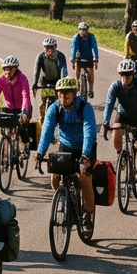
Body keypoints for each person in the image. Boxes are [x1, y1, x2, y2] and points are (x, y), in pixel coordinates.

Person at [35, 76, 97, 232]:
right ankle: (64, 200)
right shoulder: (54, 109)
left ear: (75, 93)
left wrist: (85, 156)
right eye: (61, 93)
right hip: (66, 146)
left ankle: (88, 213)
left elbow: (89, 132)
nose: (64, 97)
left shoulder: (85, 108)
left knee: (83, 178)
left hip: (85, 147)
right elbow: (47, 132)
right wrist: (40, 152)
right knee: (55, 176)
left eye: (67, 93)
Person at [103, 58, 137, 194]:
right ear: (120, 75)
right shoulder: (115, 86)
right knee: (116, 132)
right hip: (123, 115)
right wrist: (105, 123)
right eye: (123, 75)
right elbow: (109, 104)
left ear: (134, 75)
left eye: (129, 75)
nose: (126, 78)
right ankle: (122, 155)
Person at [0, 55, 34, 151]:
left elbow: (25, 95)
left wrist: (24, 111)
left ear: (16, 69)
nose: (7, 71)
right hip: (9, 108)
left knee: (21, 126)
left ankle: (26, 143)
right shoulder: (0, 80)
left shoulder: (22, 78)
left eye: (10, 69)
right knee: (4, 127)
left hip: (23, 107)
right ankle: (6, 150)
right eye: (5, 69)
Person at [32, 37, 68, 121]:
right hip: (45, 80)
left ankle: (62, 117)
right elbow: (36, 70)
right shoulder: (40, 56)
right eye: (46, 47)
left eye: (51, 47)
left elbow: (64, 69)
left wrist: (63, 83)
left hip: (57, 81)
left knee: (61, 101)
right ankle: (42, 119)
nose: (49, 50)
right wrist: (35, 83)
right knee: (42, 102)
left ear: (55, 47)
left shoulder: (60, 56)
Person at [70, 22, 99, 98]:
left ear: (87, 30)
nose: (82, 31)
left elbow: (94, 47)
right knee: (77, 67)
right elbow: (74, 48)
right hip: (79, 56)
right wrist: (72, 60)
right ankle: (77, 83)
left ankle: (91, 89)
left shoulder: (91, 37)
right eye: (80, 29)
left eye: (84, 30)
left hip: (89, 56)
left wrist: (95, 59)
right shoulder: (76, 37)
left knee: (90, 72)